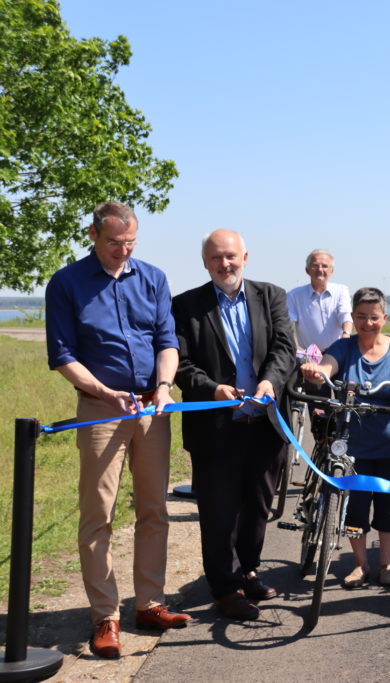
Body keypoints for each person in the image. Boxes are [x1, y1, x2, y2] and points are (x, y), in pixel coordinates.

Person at [45, 201, 190, 659]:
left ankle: (149, 604)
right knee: (98, 515)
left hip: (151, 407)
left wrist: (164, 386)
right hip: (100, 409)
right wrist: (105, 393)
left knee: (154, 510)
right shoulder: (67, 283)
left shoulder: (153, 278)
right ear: (92, 234)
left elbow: (167, 341)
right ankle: (105, 617)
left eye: (130, 243)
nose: (122, 251)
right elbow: (63, 354)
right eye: (113, 243)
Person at [172, 229, 295, 621]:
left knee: (258, 508)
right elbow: (182, 364)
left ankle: (248, 570)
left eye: (231, 256)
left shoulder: (272, 295)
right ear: (205, 263)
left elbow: (284, 347)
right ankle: (225, 588)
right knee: (219, 511)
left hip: (264, 424)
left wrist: (269, 383)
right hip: (216, 428)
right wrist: (212, 389)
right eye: (216, 258)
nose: (225, 264)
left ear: (245, 257)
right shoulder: (185, 306)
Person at [300, 287, 390, 587]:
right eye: (361, 317)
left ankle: (387, 562)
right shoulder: (344, 347)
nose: (367, 323)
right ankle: (361, 564)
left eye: (374, 317)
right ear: (353, 317)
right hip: (354, 444)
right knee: (357, 506)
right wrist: (318, 372)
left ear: (384, 318)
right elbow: (329, 365)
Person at [287, 248, 353, 351]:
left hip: (339, 353)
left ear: (331, 271)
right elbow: (286, 325)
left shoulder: (341, 291)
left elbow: (345, 316)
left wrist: (346, 335)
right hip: (309, 358)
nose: (320, 269)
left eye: (325, 266)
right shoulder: (294, 296)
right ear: (307, 270)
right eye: (315, 265)